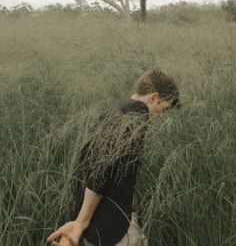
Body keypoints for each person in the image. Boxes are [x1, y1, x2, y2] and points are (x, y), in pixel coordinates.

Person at [46, 66, 181, 246]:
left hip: (97, 227)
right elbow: (100, 172)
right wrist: (80, 222)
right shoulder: (136, 119)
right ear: (154, 97)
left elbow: (89, 169)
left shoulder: (113, 111)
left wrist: (79, 220)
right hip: (113, 230)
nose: (161, 117)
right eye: (163, 109)